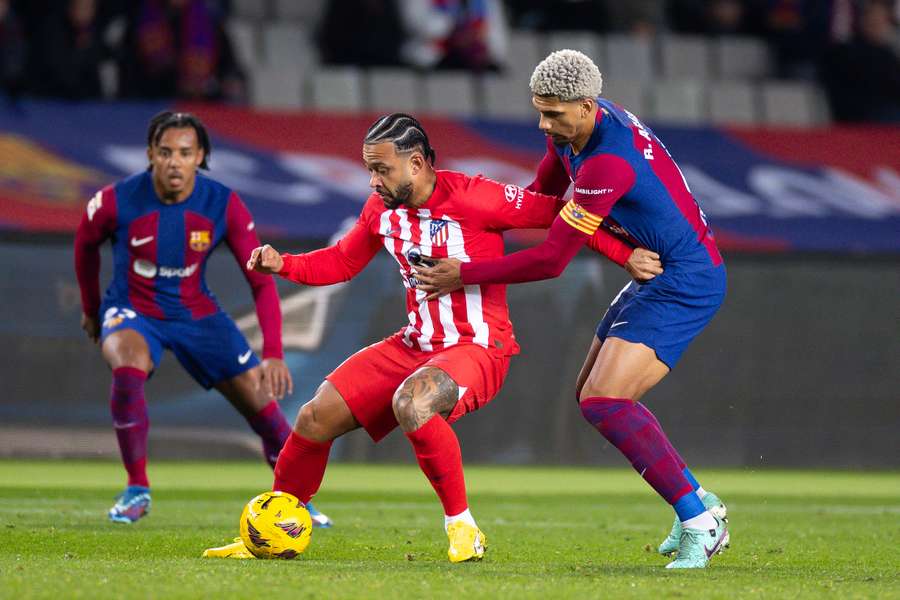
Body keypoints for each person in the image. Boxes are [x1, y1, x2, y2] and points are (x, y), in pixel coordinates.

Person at [202, 112, 663, 562]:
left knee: (413, 403)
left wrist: (625, 255)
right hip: (415, 344)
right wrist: (284, 263)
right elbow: (342, 261)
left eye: (381, 169)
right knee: (313, 417)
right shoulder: (380, 210)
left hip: (478, 346)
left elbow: (566, 214)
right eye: (369, 170)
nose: (372, 182)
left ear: (417, 163)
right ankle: (271, 527)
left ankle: (463, 528)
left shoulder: (476, 197)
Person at [414, 50, 730, 569]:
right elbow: (540, 200)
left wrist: (462, 272)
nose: (545, 124)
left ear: (586, 106)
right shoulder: (577, 132)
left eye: (555, 113)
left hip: (684, 281)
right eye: (539, 111)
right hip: (658, 272)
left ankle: (699, 522)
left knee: (606, 401)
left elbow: (550, 258)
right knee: (592, 397)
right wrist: (467, 216)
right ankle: (701, 504)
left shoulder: (608, 161)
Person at [74, 111, 330, 527]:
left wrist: (275, 352)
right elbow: (84, 246)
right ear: (151, 156)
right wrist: (91, 309)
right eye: (166, 152)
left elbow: (261, 281)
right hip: (134, 309)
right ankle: (136, 488)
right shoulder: (115, 200)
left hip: (196, 313)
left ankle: (296, 497)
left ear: (201, 157)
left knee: (260, 403)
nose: (175, 161)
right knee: (127, 364)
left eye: (185, 153)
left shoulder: (222, 203)